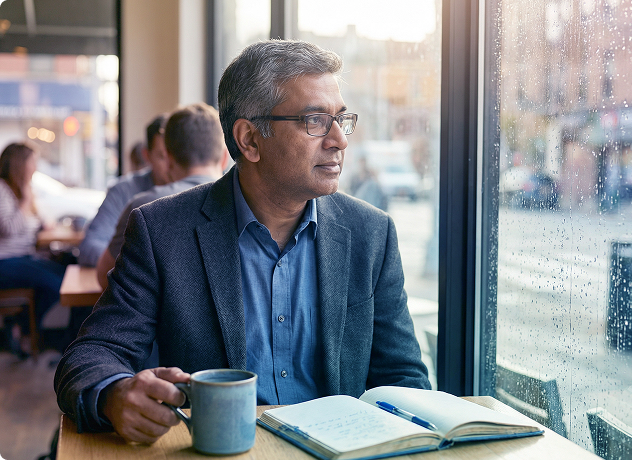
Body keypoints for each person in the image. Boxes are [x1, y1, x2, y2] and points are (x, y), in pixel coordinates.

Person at [54, 39, 430, 444]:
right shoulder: (161, 231)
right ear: (249, 139)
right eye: (315, 121)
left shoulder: (371, 233)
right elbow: (89, 356)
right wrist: (114, 394)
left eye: (341, 119)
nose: (339, 139)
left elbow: (403, 378)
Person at [95, 102, 229, 289]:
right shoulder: (246, 206)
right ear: (224, 158)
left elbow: (105, 277)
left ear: (169, 159)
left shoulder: (143, 208)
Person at [0, 142, 66, 357]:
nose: (35, 168)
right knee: (59, 284)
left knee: (65, 272)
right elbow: (9, 228)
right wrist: (26, 201)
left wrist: (41, 223)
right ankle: (24, 327)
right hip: (6, 261)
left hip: (22, 257)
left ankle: (22, 325)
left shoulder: (19, 191)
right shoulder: (2, 189)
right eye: (32, 162)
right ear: (20, 165)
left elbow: (32, 223)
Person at [76, 115, 170, 267]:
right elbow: (90, 246)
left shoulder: (194, 193)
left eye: (175, 156)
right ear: (147, 155)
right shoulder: (124, 191)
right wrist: (135, 268)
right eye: (162, 156)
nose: (169, 165)